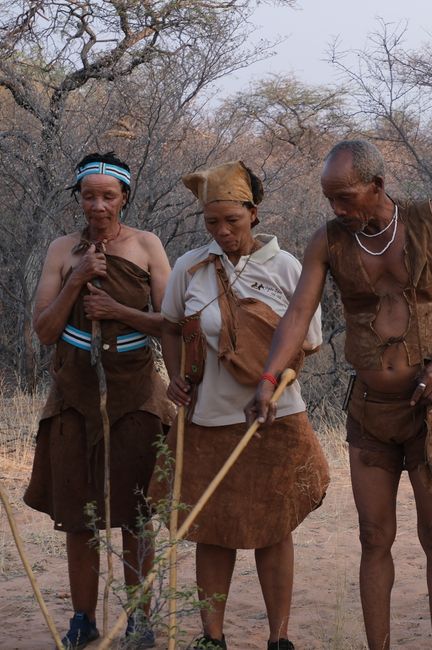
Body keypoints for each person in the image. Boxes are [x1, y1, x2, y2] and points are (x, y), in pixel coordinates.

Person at [245, 139, 432, 650]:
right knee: (374, 539)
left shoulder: (426, 219)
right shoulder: (327, 241)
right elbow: (297, 314)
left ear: (377, 186)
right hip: (371, 413)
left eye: (346, 198)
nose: (338, 209)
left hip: (431, 409)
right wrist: (267, 380)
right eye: (330, 199)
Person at [150, 161, 330, 650]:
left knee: (274, 529)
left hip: (275, 418)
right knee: (213, 530)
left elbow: (307, 342)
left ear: (254, 213)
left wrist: (272, 384)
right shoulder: (189, 266)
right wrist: (175, 378)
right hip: (208, 418)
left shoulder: (288, 266)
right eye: (212, 222)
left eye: (232, 219)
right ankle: (212, 637)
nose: (223, 231)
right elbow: (168, 325)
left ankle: (279, 638)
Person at [24, 152, 173, 648]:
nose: (98, 205)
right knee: (79, 517)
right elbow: (45, 330)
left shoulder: (147, 246)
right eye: (89, 195)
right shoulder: (62, 250)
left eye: (108, 196)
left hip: (136, 394)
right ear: (79, 198)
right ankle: (83, 620)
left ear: (124, 198)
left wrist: (115, 309)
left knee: (136, 515)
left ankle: (139, 620)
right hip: (74, 395)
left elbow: (172, 323)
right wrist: (77, 277)